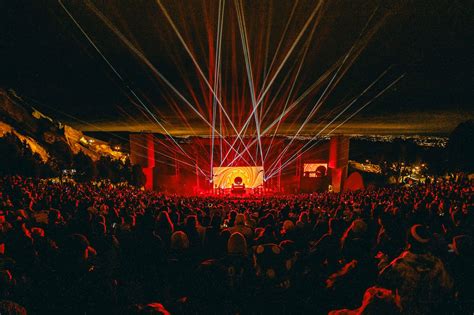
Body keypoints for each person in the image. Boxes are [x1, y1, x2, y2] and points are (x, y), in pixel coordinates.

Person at [379, 224, 454, 314]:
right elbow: (447, 287)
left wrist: (383, 261)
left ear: (409, 243)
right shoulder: (437, 264)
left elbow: (382, 279)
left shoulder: (401, 264)